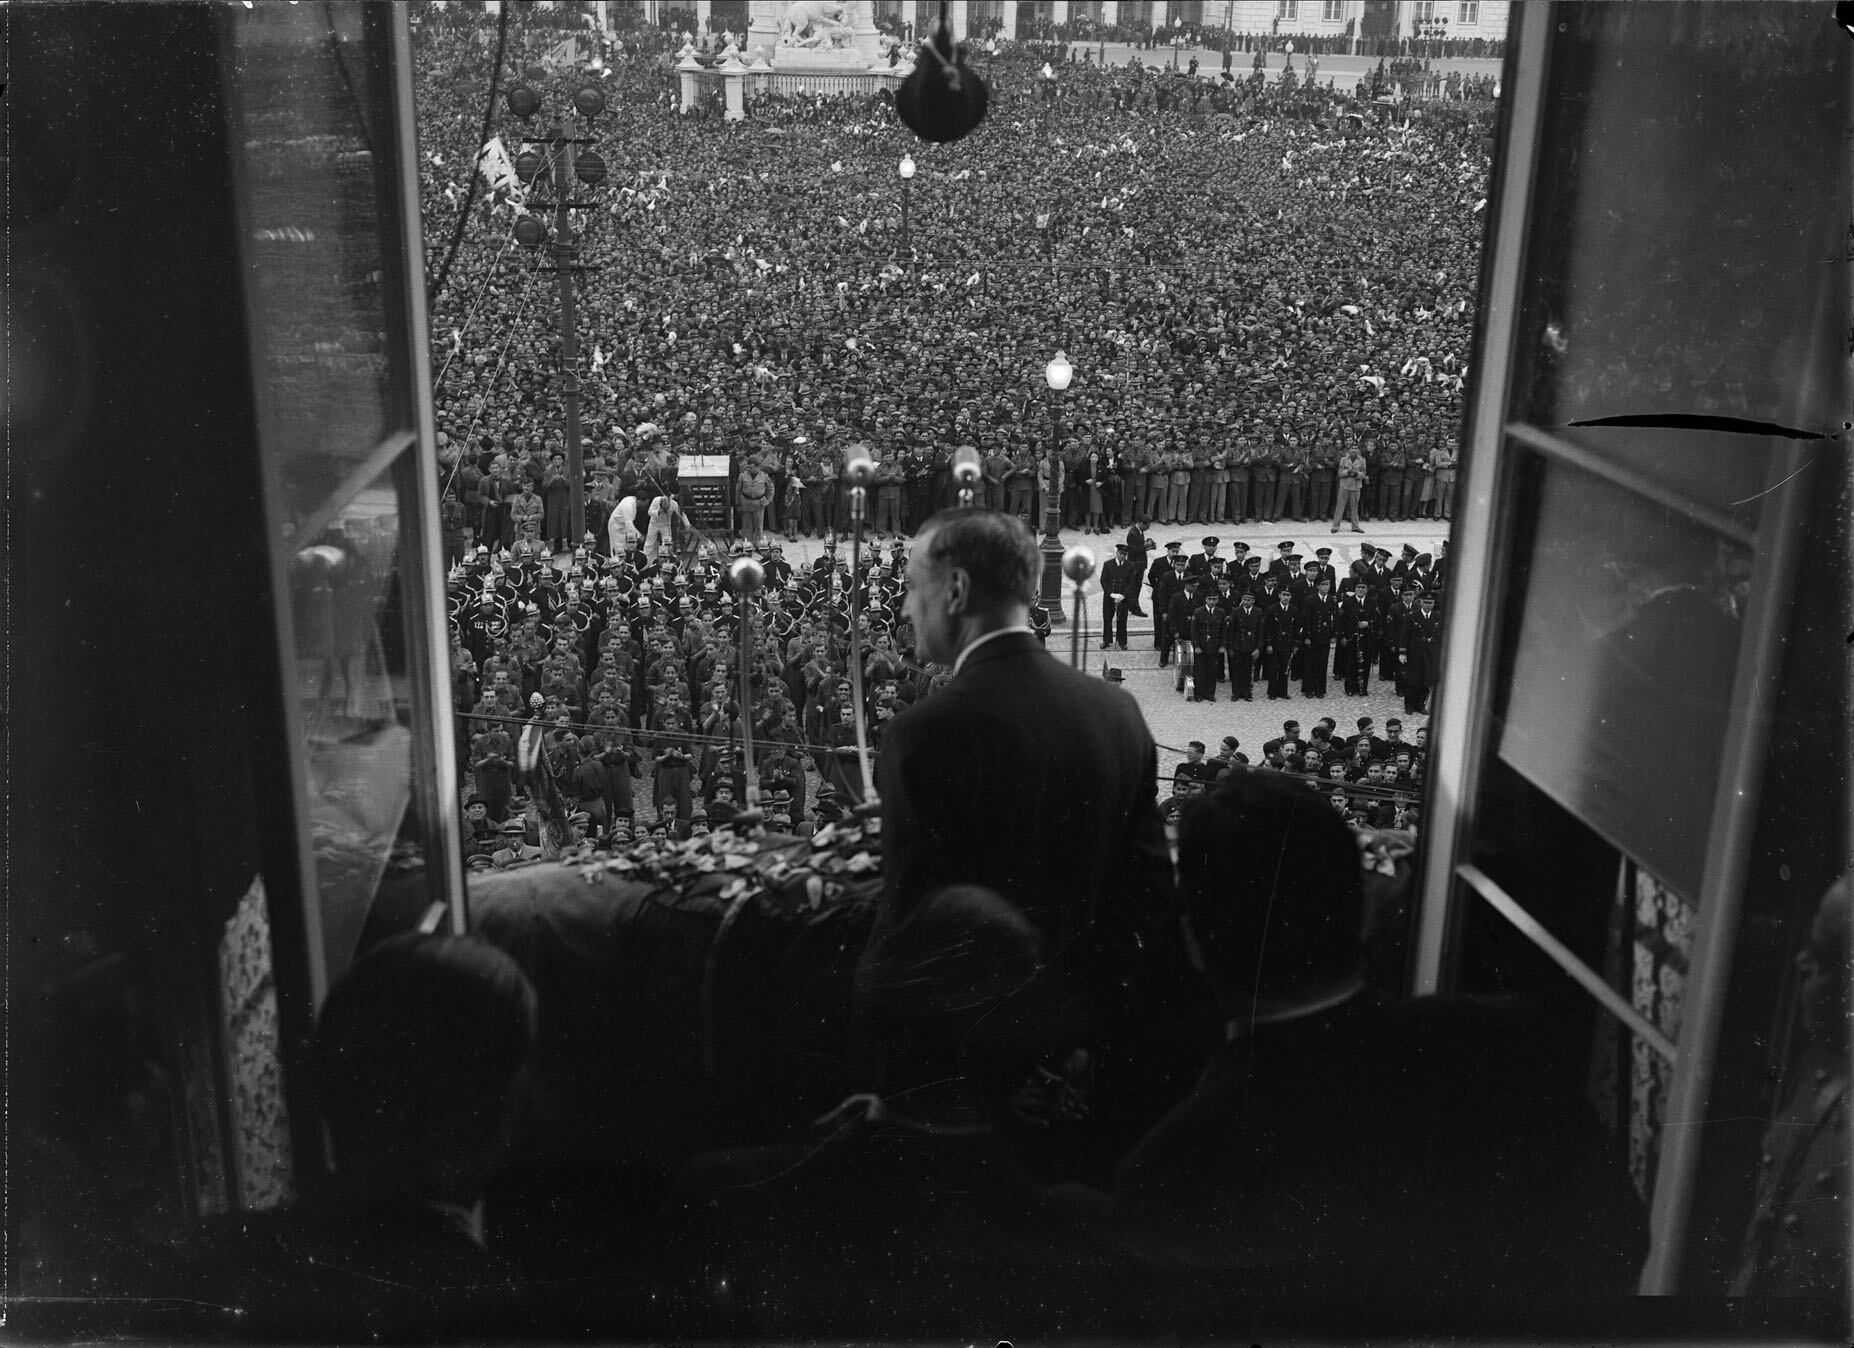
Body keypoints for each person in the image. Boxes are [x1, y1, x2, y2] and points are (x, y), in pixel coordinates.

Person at [1110, 770, 1647, 1310]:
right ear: (1366, 911)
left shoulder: (1173, 1167)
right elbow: (1618, 1244)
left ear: (1194, 944)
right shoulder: (1504, 1039)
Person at [864, 510, 1186, 1165]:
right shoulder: (1116, 711)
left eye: (911, 587)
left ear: (954, 592)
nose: (903, 607)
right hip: (1085, 1060)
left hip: (970, 1076)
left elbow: (912, 928)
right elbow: (1149, 898)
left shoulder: (924, 732)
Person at [181, 934, 540, 1336]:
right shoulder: (479, 1306)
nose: (529, 1095)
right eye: (518, 1071)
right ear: (484, 1107)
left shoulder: (221, 1254)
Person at [1099, 541, 1134, 651]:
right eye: (1120, 553)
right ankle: (1107, 640)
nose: (1122, 556)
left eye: (1124, 554)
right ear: (1117, 553)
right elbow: (1103, 580)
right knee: (1107, 619)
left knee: (1122, 620)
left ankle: (1122, 641)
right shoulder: (1108, 564)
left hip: (1123, 599)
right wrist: (1111, 594)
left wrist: (1123, 595)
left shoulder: (1130, 566)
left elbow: (1131, 582)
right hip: (1110, 597)